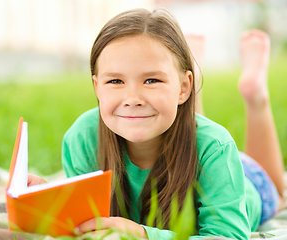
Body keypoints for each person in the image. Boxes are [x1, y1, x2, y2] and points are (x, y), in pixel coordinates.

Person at [29, 9, 285, 239]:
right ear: (97, 87)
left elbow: (226, 236)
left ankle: (256, 97)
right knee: (176, 118)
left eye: (151, 80)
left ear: (185, 87)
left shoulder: (215, 148)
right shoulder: (83, 138)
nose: (132, 99)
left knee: (279, 191)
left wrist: (143, 234)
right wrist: (55, 200)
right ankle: (183, 87)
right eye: (115, 81)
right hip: (190, 140)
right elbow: (90, 224)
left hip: (246, 179)